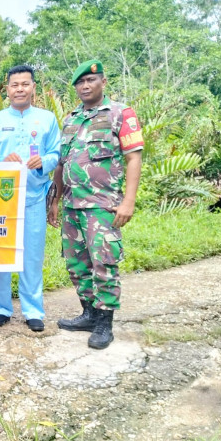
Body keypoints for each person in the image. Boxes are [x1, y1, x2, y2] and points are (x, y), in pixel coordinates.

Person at [48, 59, 143, 349]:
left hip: (102, 206)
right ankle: (89, 313)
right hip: (71, 206)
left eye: (91, 80)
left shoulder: (121, 113)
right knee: (76, 264)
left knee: (104, 263)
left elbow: (134, 158)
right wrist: (55, 199)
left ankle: (104, 323)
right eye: (80, 82)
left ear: (103, 81)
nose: (85, 86)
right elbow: (62, 163)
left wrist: (128, 202)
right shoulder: (71, 119)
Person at [0, 65, 61, 332]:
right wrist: (1, 160)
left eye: (25, 84)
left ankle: (33, 310)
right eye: (15, 85)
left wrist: (43, 161)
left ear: (33, 87)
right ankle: (1, 308)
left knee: (32, 256)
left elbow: (57, 153)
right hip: (0, 200)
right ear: (7, 89)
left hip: (34, 196)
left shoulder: (47, 119)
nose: (20, 89)